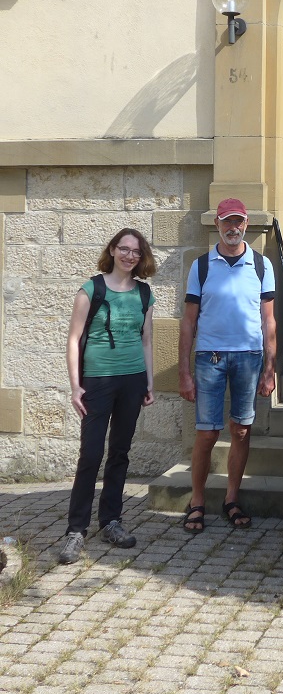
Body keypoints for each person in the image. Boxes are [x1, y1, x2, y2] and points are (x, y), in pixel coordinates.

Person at [58, 229, 156, 564]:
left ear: (141, 257)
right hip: (97, 381)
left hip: (131, 380)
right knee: (90, 454)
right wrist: (76, 386)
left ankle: (111, 521)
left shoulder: (144, 293)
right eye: (124, 249)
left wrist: (149, 382)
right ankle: (76, 529)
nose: (130, 256)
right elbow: (73, 339)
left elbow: (146, 340)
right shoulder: (92, 289)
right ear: (112, 250)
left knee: (120, 452)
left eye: (136, 251)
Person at [179, 198, 276, 533]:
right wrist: (184, 372)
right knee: (207, 432)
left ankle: (231, 498)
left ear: (246, 224)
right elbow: (188, 322)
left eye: (238, 222)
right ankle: (196, 501)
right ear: (217, 225)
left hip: (250, 357)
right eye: (226, 222)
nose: (233, 228)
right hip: (210, 358)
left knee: (242, 430)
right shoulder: (201, 266)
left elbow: (269, 321)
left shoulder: (261, 265)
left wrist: (270, 368)